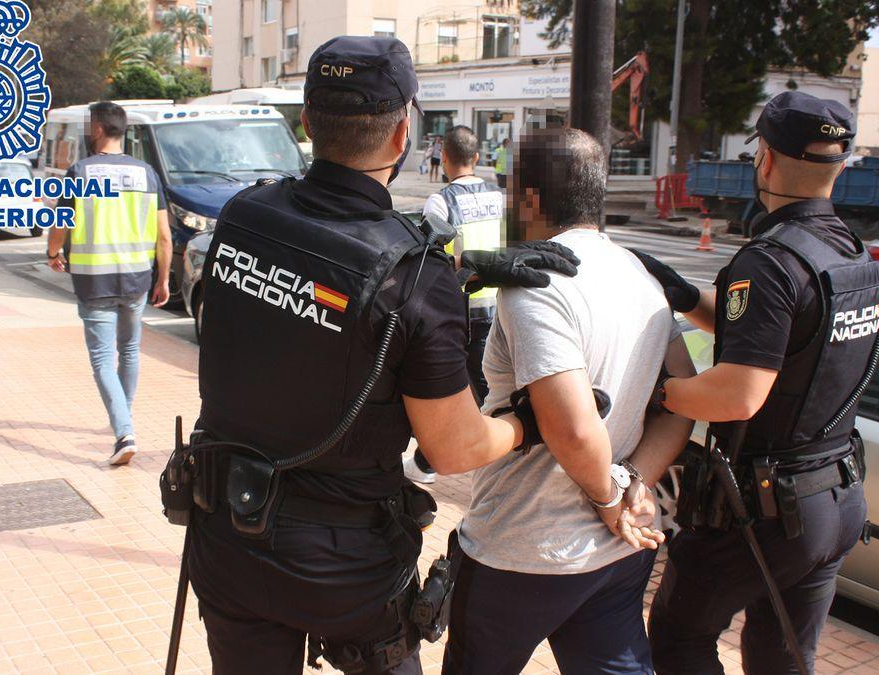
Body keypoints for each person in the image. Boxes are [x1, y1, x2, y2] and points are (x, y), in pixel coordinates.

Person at [184, 36, 580, 675]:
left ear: (307, 123)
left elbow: (332, 280)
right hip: (345, 565)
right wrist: (527, 424)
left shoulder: (241, 215)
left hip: (229, 532)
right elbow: (451, 448)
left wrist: (459, 270)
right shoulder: (415, 275)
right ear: (402, 136)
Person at [638, 91, 879, 674]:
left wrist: (658, 392)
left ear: (765, 160)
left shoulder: (770, 260)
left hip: (766, 509)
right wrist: (684, 294)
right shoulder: (849, 255)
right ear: (839, 166)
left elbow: (739, 391)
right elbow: (780, 336)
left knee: (678, 637)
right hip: (836, 499)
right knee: (783, 658)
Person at [441, 128, 696, 674]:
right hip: (615, 553)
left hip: (523, 547)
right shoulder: (641, 275)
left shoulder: (535, 280)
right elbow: (681, 399)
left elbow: (573, 428)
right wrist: (635, 483)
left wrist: (610, 498)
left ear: (529, 199)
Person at [46, 101, 171, 466]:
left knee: (103, 359)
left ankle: (124, 432)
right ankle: (124, 416)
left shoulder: (81, 172)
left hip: (95, 282)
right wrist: (163, 278)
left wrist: (53, 252)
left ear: (97, 128)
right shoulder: (147, 173)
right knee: (129, 351)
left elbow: (61, 224)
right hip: (136, 280)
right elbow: (165, 237)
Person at [404, 125, 504, 486]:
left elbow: (431, 261)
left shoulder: (441, 202)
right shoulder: (501, 196)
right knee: (493, 389)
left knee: (468, 394)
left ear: (444, 158)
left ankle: (435, 462)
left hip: (465, 310)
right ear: (477, 158)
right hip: (504, 306)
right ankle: (428, 460)